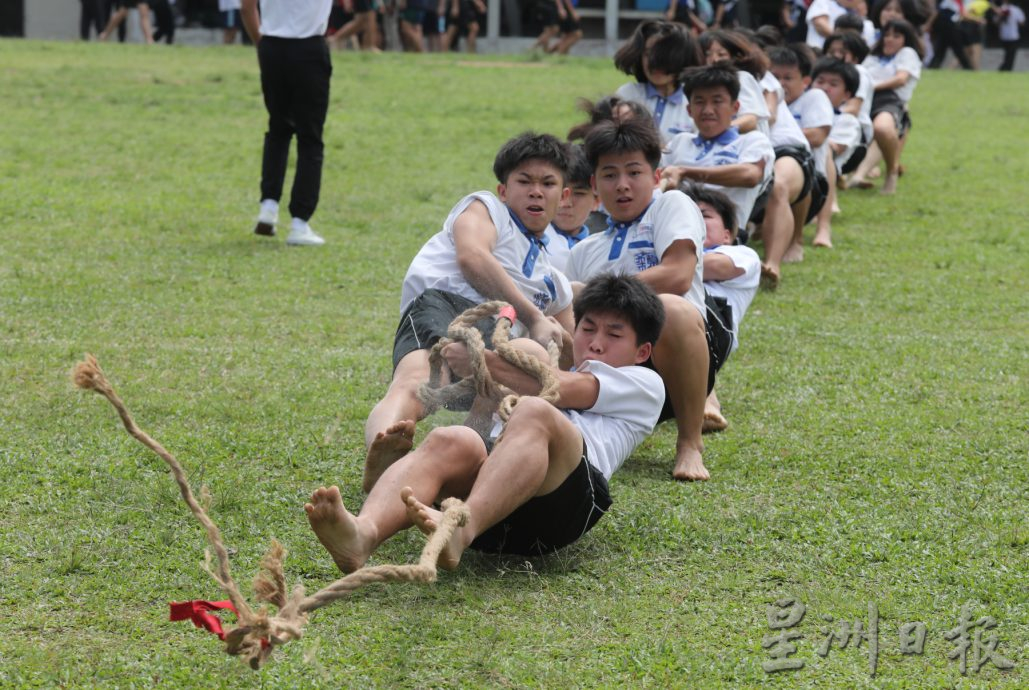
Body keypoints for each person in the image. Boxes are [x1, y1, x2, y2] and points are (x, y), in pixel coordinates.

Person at [306, 274, 665, 570]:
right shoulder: (566, 362)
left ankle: (462, 527)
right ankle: (362, 534)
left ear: (642, 352)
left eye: (614, 335)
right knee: (454, 437)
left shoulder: (646, 384)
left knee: (535, 411)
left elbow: (561, 389)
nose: (596, 343)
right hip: (497, 501)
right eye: (588, 329)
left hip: (562, 508)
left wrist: (481, 361)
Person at [364, 133, 575, 491]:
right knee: (423, 380)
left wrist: (555, 340)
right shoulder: (487, 208)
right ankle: (383, 448)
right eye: (524, 181)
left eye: (548, 183)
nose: (536, 191)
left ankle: (469, 453)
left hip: (499, 351)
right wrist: (535, 318)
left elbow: (570, 358)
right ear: (504, 190)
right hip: (448, 303)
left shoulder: (554, 278)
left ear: (564, 196)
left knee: (528, 357)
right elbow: (472, 258)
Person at [566, 115, 723, 482]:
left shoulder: (671, 206)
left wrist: (606, 296)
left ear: (655, 177)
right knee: (564, 301)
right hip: (609, 367)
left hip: (674, 360)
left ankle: (689, 442)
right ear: (594, 184)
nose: (622, 185)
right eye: (609, 175)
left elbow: (678, 274)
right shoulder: (585, 250)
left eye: (634, 173)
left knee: (671, 308)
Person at [242, 0, 333, 246]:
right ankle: (299, 223)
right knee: (310, 138)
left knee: (278, 130)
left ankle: (268, 208)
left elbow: (246, 7)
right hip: (308, 49)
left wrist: (261, 45)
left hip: (272, 46)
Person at [661, 64, 776, 240]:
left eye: (717, 101)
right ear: (689, 110)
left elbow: (750, 175)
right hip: (672, 233)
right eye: (699, 102)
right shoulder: (679, 142)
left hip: (724, 241)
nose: (708, 110)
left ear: (735, 107)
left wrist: (684, 172)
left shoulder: (753, 141)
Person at [679, 183, 759, 432]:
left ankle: (705, 397)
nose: (694, 221)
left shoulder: (742, 255)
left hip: (714, 332)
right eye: (686, 215)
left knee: (682, 298)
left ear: (727, 234)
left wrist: (670, 258)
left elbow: (716, 267)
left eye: (703, 215)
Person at [769, 44, 834, 249]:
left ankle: (799, 238)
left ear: (805, 81)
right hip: (768, 174)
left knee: (800, 164)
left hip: (810, 183)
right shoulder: (766, 100)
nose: (780, 84)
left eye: (788, 78)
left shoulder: (814, 97)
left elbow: (817, 135)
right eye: (775, 77)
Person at [852, 19, 923, 194]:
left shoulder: (907, 53)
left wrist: (873, 86)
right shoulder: (873, 56)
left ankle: (891, 170)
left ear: (906, 39)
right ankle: (858, 175)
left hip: (890, 101)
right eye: (887, 35)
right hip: (864, 99)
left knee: (882, 128)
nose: (889, 39)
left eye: (896, 36)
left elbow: (901, 79)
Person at [613, 20, 705, 143]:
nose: (655, 63)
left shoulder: (694, 101)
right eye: (648, 53)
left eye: (665, 55)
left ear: (683, 58)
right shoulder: (627, 94)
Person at [544, 144, 596, 274]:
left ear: (597, 201)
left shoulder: (601, 246)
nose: (566, 202)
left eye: (579, 193)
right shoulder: (524, 235)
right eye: (562, 192)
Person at [929, 0, 973, 68]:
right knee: (957, 49)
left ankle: (933, 66)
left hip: (949, 26)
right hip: (948, 26)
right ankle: (968, 68)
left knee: (941, 50)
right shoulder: (952, 1)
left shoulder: (958, 2)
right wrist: (978, 20)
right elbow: (963, 14)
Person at [996, 0, 1025, 71]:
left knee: (1009, 55)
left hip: (1011, 35)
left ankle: (1005, 69)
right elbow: (1022, 22)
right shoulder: (1001, 10)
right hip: (1007, 35)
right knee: (1009, 55)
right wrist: (1001, 16)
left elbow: (1021, 22)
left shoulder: (1015, 10)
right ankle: (1005, 69)